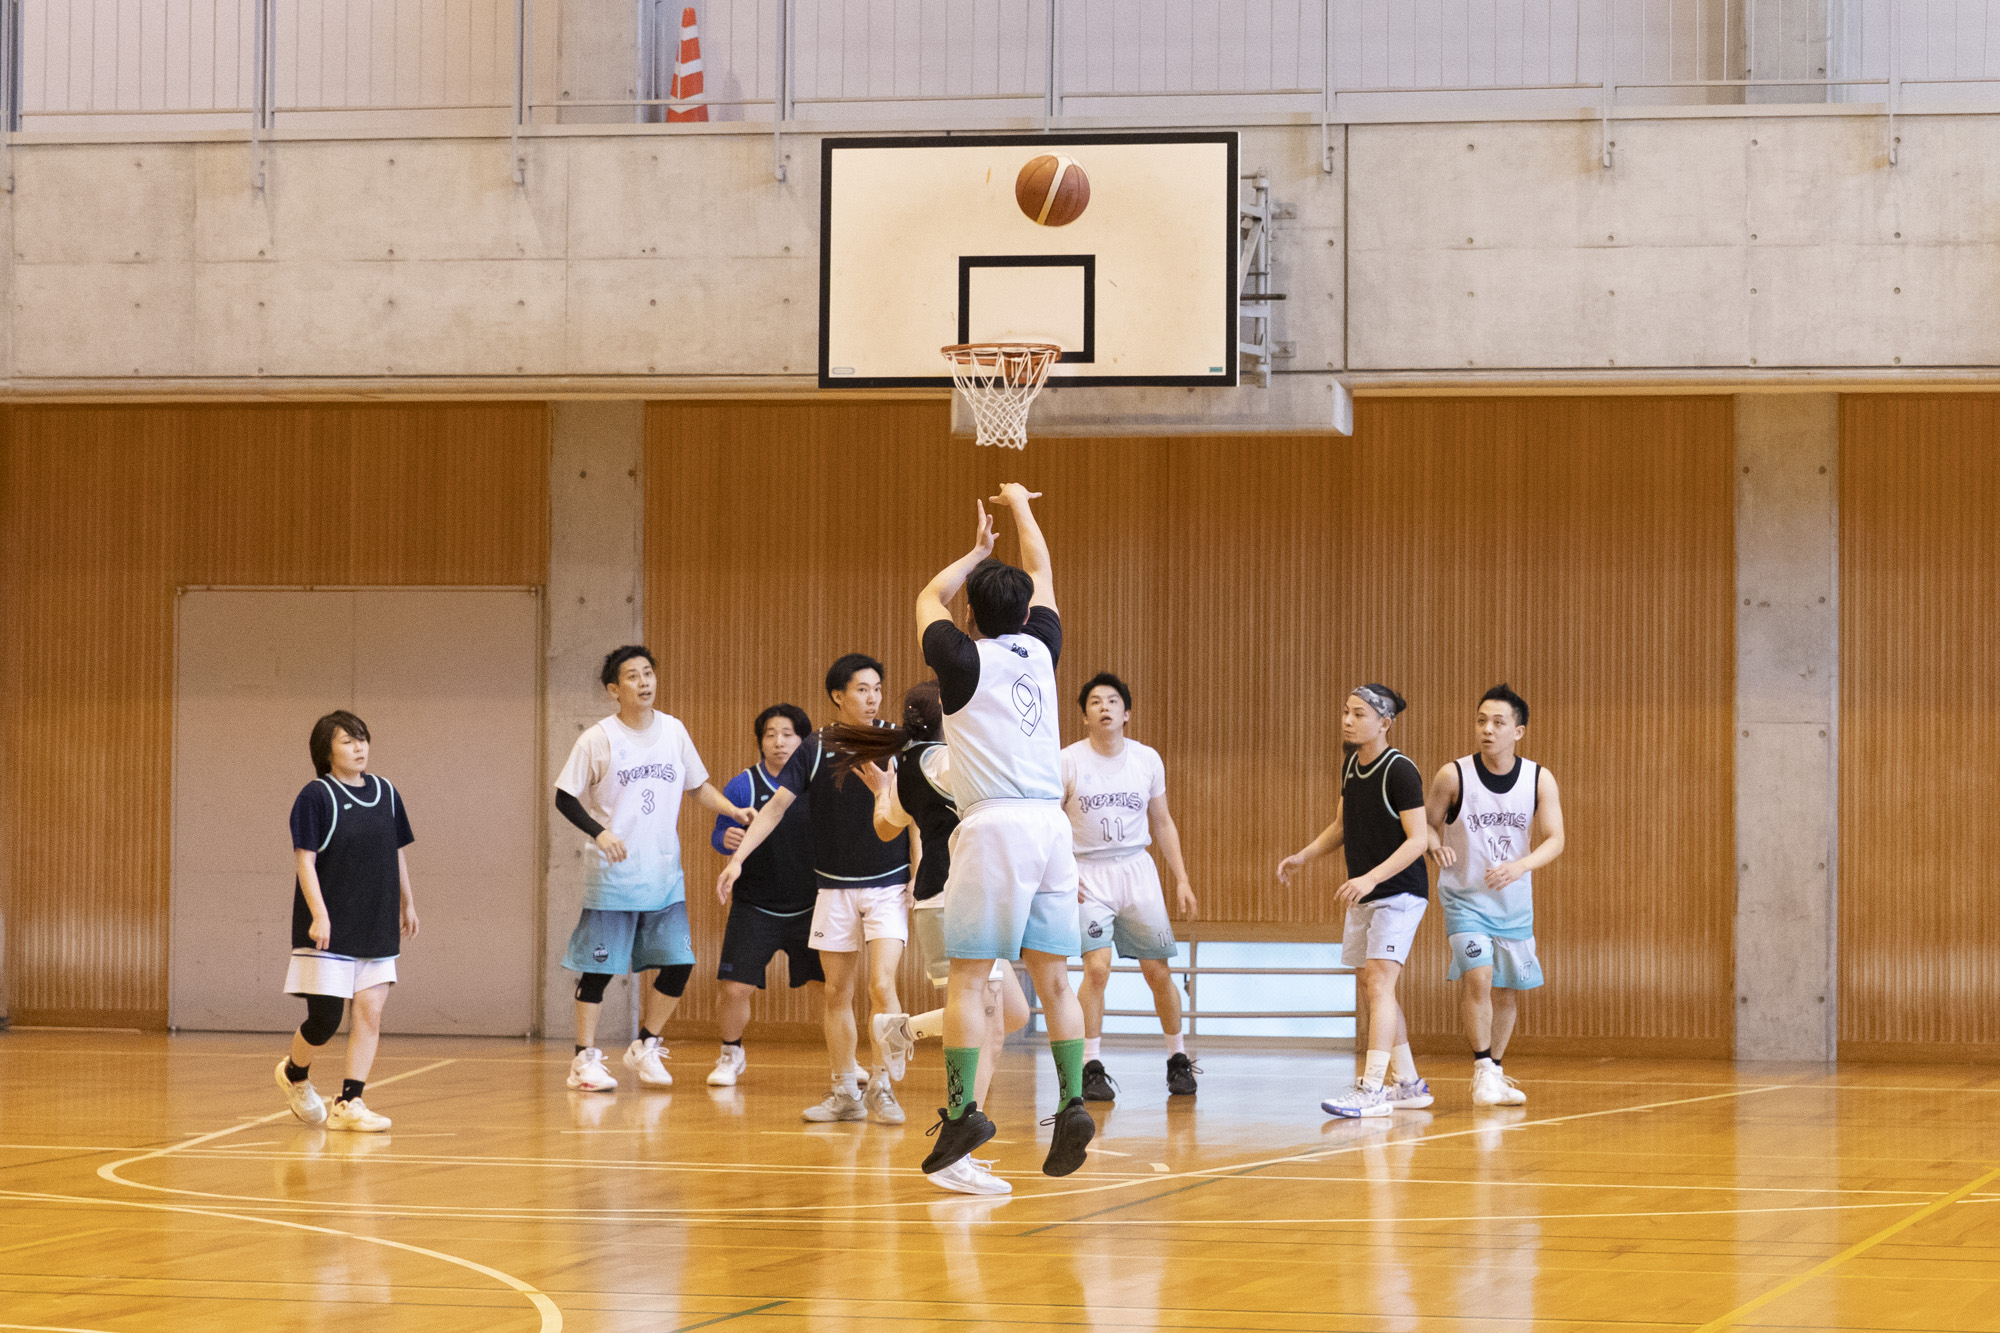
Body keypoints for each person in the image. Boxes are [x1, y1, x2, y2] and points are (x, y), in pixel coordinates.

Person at [915, 485, 1094, 1185]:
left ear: (971, 615)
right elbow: (1041, 567)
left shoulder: (959, 659)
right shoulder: (1043, 649)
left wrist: (974, 552)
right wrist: (1021, 505)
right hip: (1051, 826)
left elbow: (928, 595)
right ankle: (1073, 1100)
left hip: (993, 825)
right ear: (1024, 612)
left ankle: (964, 1111)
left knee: (967, 976)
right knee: (1055, 977)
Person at [827, 681, 1031, 1196]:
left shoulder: (913, 763)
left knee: (1012, 1014)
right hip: (950, 902)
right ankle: (956, 1151)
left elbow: (886, 827)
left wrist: (884, 791)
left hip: (966, 899)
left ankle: (901, 1031)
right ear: (949, 711)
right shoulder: (946, 761)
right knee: (988, 1025)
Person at [716, 655, 914, 1125]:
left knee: (882, 984)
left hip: (888, 885)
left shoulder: (896, 741)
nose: (872, 698)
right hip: (834, 889)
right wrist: (737, 861)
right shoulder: (815, 748)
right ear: (838, 696)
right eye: (862, 689)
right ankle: (845, 1091)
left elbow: (917, 812)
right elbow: (774, 809)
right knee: (836, 993)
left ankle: (883, 1086)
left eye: (877, 688)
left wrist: (920, 870)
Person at [555, 645, 752, 1093]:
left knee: (678, 964)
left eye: (648, 673)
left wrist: (734, 810)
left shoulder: (673, 731)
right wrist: (600, 833)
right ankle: (583, 1060)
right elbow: (565, 796)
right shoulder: (597, 739)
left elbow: (697, 786)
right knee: (599, 969)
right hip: (614, 875)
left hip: (664, 874)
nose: (644, 682)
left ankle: (645, 1044)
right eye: (632, 676)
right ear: (614, 689)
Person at [1276, 685, 1433, 1118]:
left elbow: (1419, 839)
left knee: (1380, 982)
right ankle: (1407, 1084)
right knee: (1372, 986)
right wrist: (1304, 856)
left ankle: (1371, 1089)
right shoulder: (1351, 765)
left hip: (1400, 892)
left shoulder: (1401, 771)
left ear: (1384, 723)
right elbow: (1341, 825)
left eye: (1359, 714)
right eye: (1346, 711)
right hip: (1366, 893)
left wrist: (1370, 877)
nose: (1347, 720)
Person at [274, 710, 419, 1133]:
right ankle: (295, 1074)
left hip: (376, 921)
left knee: (370, 1013)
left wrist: (408, 903)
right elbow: (305, 860)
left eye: (362, 739)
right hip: (331, 926)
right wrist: (319, 914)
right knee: (325, 1021)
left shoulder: (386, 793)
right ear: (327, 751)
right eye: (347, 741)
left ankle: (349, 1101)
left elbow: (395, 851)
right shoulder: (316, 796)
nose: (359, 748)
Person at [1425, 684, 1566, 1107]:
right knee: (1480, 976)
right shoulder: (1453, 775)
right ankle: (1482, 1068)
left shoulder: (1538, 778)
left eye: (1498, 722)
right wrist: (1434, 845)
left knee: (1505, 989)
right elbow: (1426, 824)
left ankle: (1496, 1072)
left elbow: (1555, 838)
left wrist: (1520, 866)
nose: (1487, 729)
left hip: (1512, 903)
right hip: (1464, 898)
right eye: (1481, 721)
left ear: (1518, 731)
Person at [1062, 672, 1200, 1100]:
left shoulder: (1146, 759)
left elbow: (1163, 822)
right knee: (1097, 969)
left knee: (1158, 972)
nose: (1104, 707)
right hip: (1087, 873)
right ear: (1084, 716)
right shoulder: (1067, 761)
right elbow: (1049, 824)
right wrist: (1062, 874)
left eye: (1113, 701)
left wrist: (1182, 879)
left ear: (1127, 714)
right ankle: (1090, 1066)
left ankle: (1178, 1058)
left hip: (1137, 871)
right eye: (1095, 702)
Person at [706, 703, 823, 1087]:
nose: (779, 742)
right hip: (755, 906)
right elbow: (719, 834)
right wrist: (724, 838)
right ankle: (731, 1053)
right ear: (760, 741)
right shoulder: (743, 785)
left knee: (830, 989)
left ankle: (845, 1059)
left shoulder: (817, 783)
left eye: (788, 734)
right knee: (734, 989)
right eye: (770, 735)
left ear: (803, 740)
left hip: (811, 906)